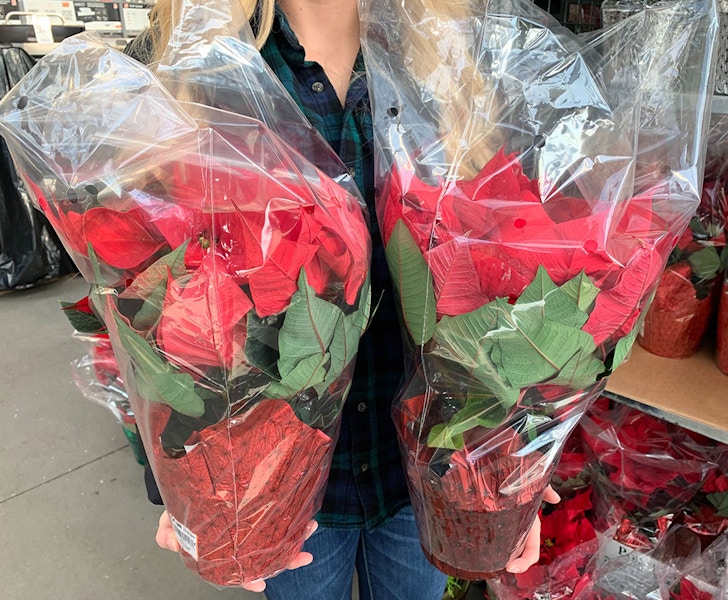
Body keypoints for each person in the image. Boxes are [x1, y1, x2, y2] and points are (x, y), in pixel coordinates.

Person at [129, 0, 561, 598]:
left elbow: (510, 280)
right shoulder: (195, 67)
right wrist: (176, 478)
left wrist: (517, 464)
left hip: (430, 475)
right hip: (272, 487)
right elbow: (138, 297)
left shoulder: (454, 61)